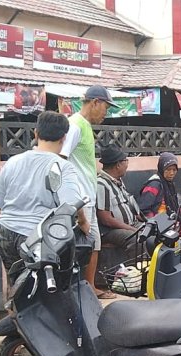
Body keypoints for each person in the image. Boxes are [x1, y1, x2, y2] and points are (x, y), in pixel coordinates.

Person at [0, 111, 89, 283]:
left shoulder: (12, 162)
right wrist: (83, 222)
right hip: (37, 237)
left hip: (6, 232)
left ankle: (14, 310)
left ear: (36, 133)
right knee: (41, 289)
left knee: (16, 286)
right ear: (64, 137)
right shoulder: (62, 166)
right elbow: (71, 205)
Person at [60, 85, 118, 298]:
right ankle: (83, 289)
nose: (106, 113)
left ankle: (89, 287)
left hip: (86, 198)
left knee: (92, 244)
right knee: (84, 244)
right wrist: (75, 202)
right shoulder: (75, 125)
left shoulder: (83, 125)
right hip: (79, 200)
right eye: (105, 108)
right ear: (95, 102)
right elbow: (62, 160)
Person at [138, 152, 181, 271]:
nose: (171, 173)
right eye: (168, 169)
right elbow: (144, 209)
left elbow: (175, 207)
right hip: (159, 222)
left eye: (174, 170)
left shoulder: (168, 184)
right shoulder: (154, 184)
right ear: (162, 168)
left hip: (168, 219)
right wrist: (156, 224)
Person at [96, 144, 143, 265]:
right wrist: (132, 229)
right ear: (118, 165)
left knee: (155, 231)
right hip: (110, 231)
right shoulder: (101, 184)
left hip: (130, 224)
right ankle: (133, 275)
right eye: (125, 161)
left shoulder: (118, 181)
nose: (127, 164)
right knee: (136, 239)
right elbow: (105, 219)